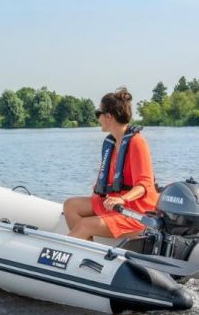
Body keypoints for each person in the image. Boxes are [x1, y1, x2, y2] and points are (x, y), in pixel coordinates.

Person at [62, 87, 159, 240]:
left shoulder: (137, 142)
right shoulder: (112, 143)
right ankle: (87, 250)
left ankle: (74, 249)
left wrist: (123, 199)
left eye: (98, 113)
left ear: (108, 117)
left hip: (136, 213)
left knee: (84, 225)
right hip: (115, 205)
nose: (97, 118)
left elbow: (144, 185)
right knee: (70, 206)